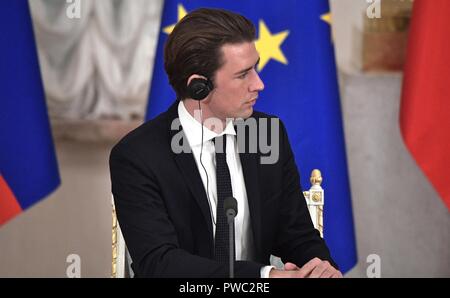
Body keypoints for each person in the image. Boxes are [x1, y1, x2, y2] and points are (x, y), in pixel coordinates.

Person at [109, 7, 342, 278]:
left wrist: (320, 269)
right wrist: (264, 277)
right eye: (243, 74)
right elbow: (160, 264)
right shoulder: (137, 156)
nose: (259, 84)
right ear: (199, 87)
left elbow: (296, 233)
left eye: (255, 68)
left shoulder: (268, 133)